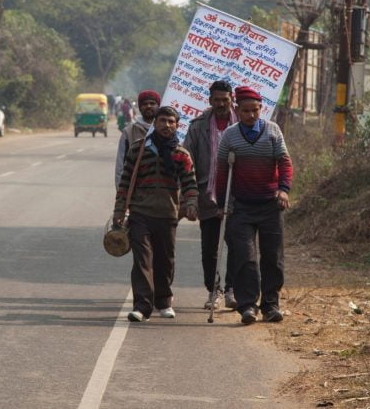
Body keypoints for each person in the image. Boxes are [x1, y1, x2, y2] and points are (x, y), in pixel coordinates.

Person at [214, 86, 294, 325]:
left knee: (273, 257)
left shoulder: (272, 131)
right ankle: (247, 305)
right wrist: (222, 204)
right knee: (245, 257)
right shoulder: (229, 135)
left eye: (255, 110)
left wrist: (284, 189)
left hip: (270, 204)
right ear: (236, 110)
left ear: (261, 109)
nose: (250, 115)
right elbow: (221, 173)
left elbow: (285, 163)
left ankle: (270, 305)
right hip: (242, 207)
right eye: (245, 111)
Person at [114, 106, 198, 322]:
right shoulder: (138, 149)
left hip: (168, 215)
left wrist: (190, 204)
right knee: (142, 260)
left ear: (177, 125)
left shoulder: (181, 155)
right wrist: (119, 211)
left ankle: (164, 301)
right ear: (155, 123)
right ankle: (142, 306)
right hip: (140, 214)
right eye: (162, 121)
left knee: (165, 261)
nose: (166, 125)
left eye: (171, 122)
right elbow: (125, 182)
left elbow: (190, 184)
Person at [182, 80, 238, 310]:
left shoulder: (243, 125)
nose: (221, 104)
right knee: (209, 249)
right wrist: (190, 200)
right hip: (207, 198)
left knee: (237, 246)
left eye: (225, 100)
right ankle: (213, 290)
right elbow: (186, 165)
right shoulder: (197, 127)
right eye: (217, 100)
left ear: (232, 99)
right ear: (210, 101)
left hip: (237, 198)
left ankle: (232, 290)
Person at [114, 90, 160, 188]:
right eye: (145, 104)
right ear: (139, 107)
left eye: (152, 103)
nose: (148, 106)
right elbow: (120, 165)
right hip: (136, 193)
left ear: (158, 106)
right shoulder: (129, 132)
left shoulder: (166, 130)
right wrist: (120, 193)